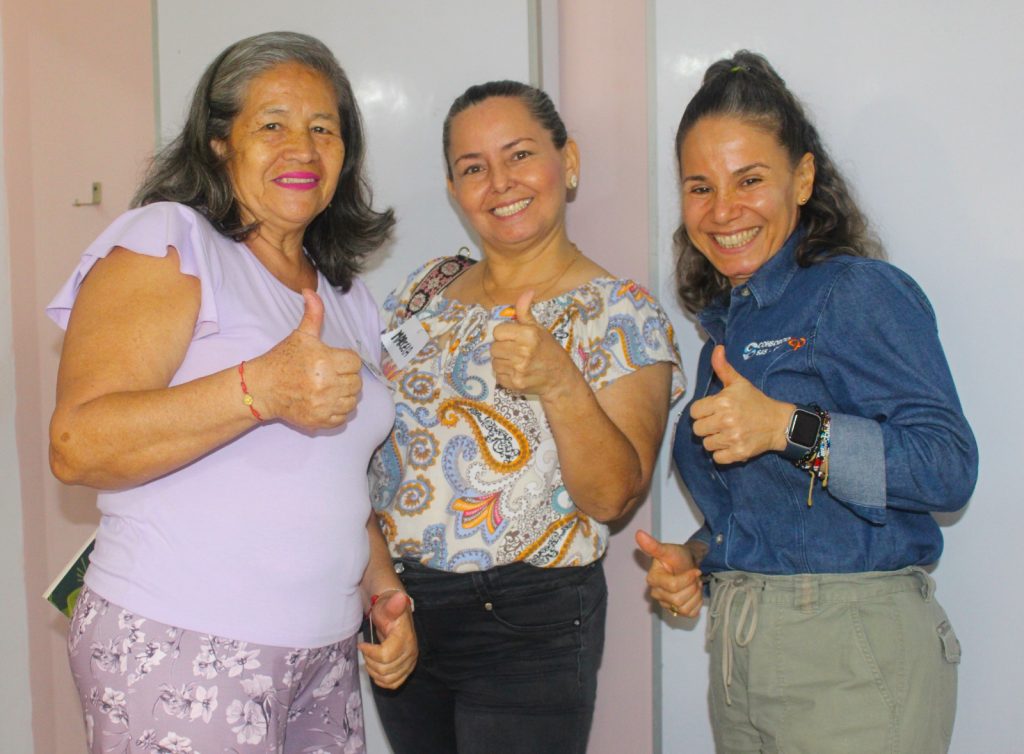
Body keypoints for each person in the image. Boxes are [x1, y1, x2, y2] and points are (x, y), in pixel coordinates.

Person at [47, 31, 416, 753]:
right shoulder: (169, 239)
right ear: (219, 142)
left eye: (323, 129)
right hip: (184, 639)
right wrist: (259, 388)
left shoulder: (347, 296)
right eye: (272, 124)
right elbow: (76, 443)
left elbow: (340, 480)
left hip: (324, 654)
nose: (302, 149)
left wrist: (382, 593)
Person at [636, 51, 979, 753]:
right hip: (743, 658)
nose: (722, 211)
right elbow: (778, 514)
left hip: (853, 660)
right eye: (700, 187)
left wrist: (785, 428)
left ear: (802, 178)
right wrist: (699, 557)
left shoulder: (854, 292)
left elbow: (948, 468)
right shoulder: (726, 330)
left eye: (750, 180)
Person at [367, 80, 685, 754]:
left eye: (519, 155)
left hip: (526, 619)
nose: (499, 183)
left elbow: (612, 498)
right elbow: (364, 441)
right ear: (454, 191)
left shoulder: (621, 315)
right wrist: (377, 587)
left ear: (568, 162)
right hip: (403, 607)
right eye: (473, 168)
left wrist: (558, 380)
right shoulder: (422, 291)